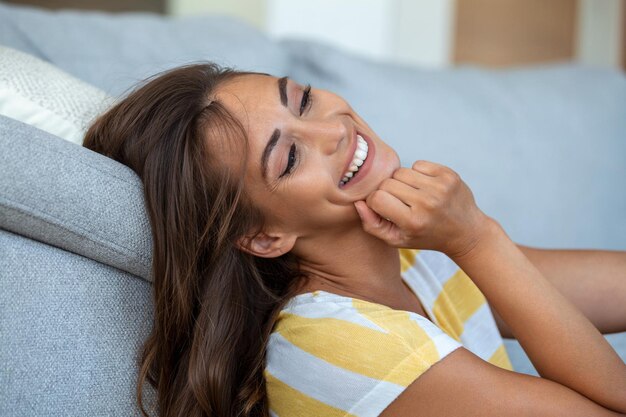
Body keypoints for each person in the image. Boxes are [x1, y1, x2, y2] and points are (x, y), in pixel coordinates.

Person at [82, 62, 626, 417]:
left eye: (304, 99)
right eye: (290, 157)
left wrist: (470, 245)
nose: (335, 130)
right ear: (266, 236)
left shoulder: (413, 253)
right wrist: (478, 239)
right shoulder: (333, 345)